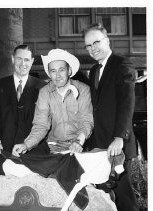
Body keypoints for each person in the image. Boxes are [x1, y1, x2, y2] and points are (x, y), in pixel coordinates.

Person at [83, 23, 139, 211]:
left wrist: (118, 138)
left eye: (96, 42)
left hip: (117, 147)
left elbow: (126, 103)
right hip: (99, 145)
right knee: (105, 200)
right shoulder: (94, 70)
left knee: (124, 200)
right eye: (88, 46)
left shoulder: (122, 64)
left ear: (107, 41)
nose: (93, 48)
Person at [12, 48, 93, 157]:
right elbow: (41, 125)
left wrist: (79, 141)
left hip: (80, 145)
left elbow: (86, 120)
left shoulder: (83, 89)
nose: (58, 75)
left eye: (62, 70)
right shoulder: (44, 93)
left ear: (69, 71)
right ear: (49, 74)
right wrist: (26, 145)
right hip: (54, 147)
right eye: (53, 71)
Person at [0, 44, 47, 177]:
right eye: (19, 59)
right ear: (13, 59)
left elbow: (45, 122)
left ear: (31, 62)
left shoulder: (43, 87)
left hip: (33, 154)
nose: (23, 63)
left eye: (26, 60)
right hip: (4, 152)